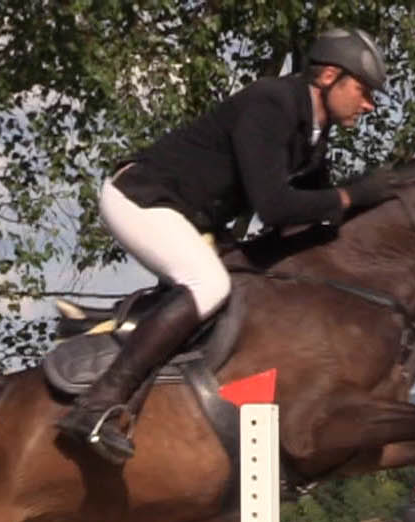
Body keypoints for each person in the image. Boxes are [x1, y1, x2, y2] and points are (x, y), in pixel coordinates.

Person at [56, 27, 397, 464]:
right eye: (364, 91)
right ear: (330, 76)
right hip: (140, 198)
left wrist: (374, 208)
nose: (368, 105)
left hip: (186, 215)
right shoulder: (272, 102)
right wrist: (353, 195)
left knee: (243, 284)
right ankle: (97, 405)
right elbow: (274, 207)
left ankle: (121, 335)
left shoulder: (312, 134)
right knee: (208, 284)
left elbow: (312, 218)